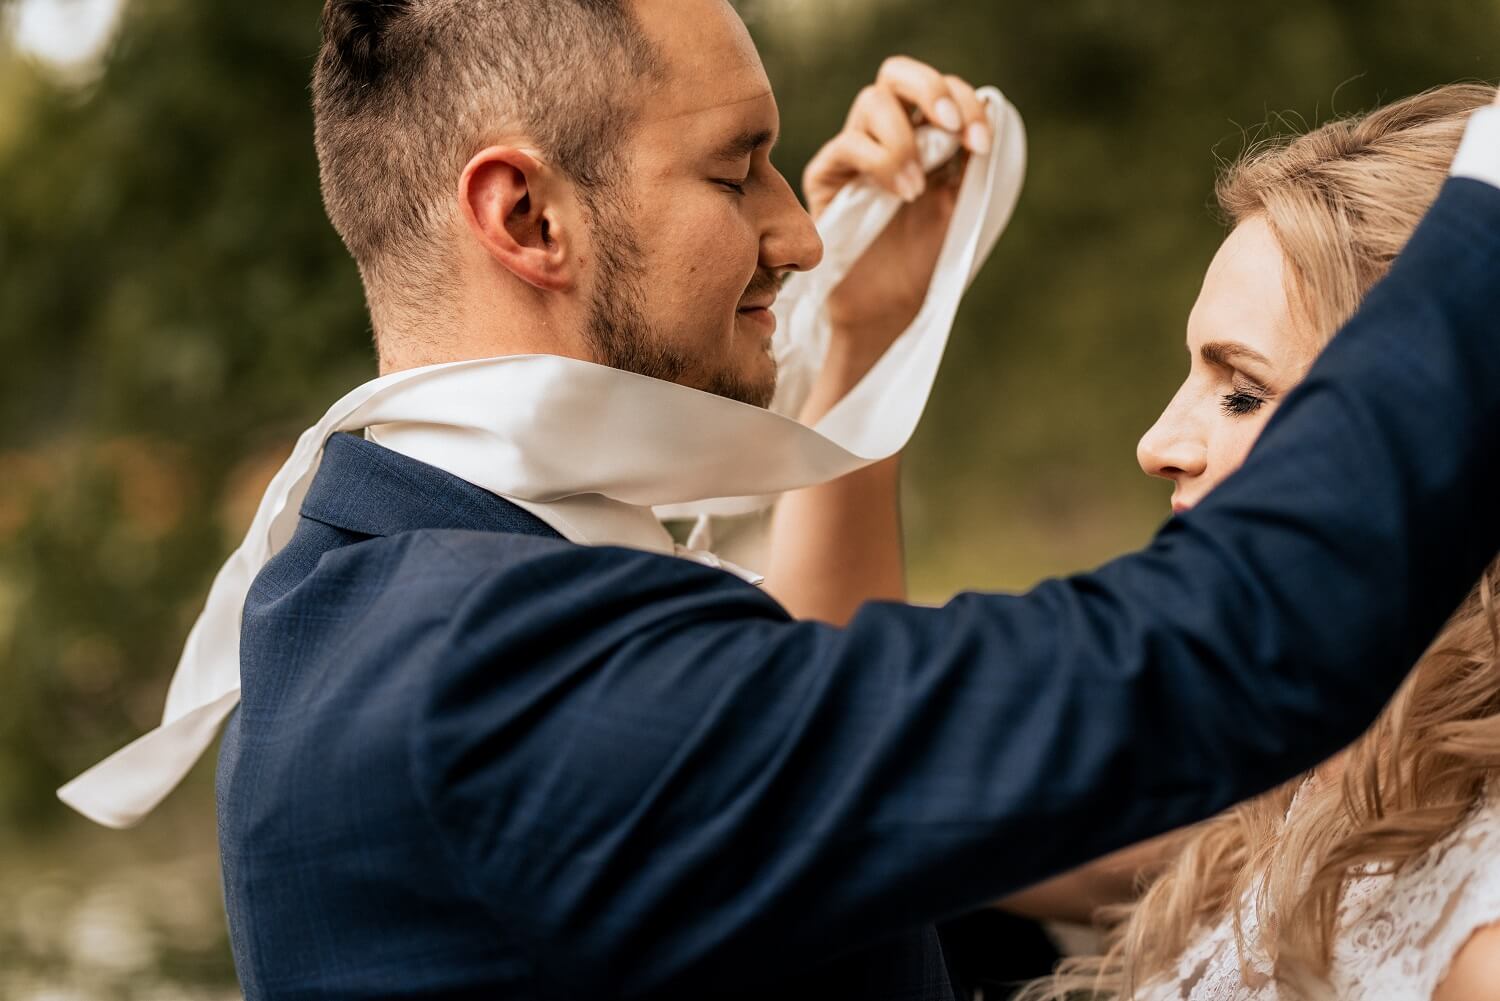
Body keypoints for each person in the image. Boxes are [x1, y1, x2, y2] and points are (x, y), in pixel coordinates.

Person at [92, 0, 1500, 996]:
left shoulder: (408, 570)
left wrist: (865, 350)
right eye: (736, 166)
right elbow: (1198, 662)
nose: (802, 225)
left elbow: (835, 808)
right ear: (528, 217)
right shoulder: (487, 673)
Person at [1014, 85, 1500, 1001]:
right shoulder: (1298, 770)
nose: (1157, 444)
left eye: (1242, 390)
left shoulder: (1478, 926)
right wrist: (869, 341)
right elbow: (879, 805)